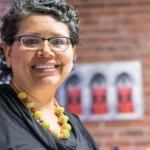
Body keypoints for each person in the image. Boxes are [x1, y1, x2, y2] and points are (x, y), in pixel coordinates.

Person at [0, 0, 100, 149]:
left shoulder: (74, 125)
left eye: (58, 41)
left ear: (72, 53)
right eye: (31, 41)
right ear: (8, 52)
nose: (46, 52)